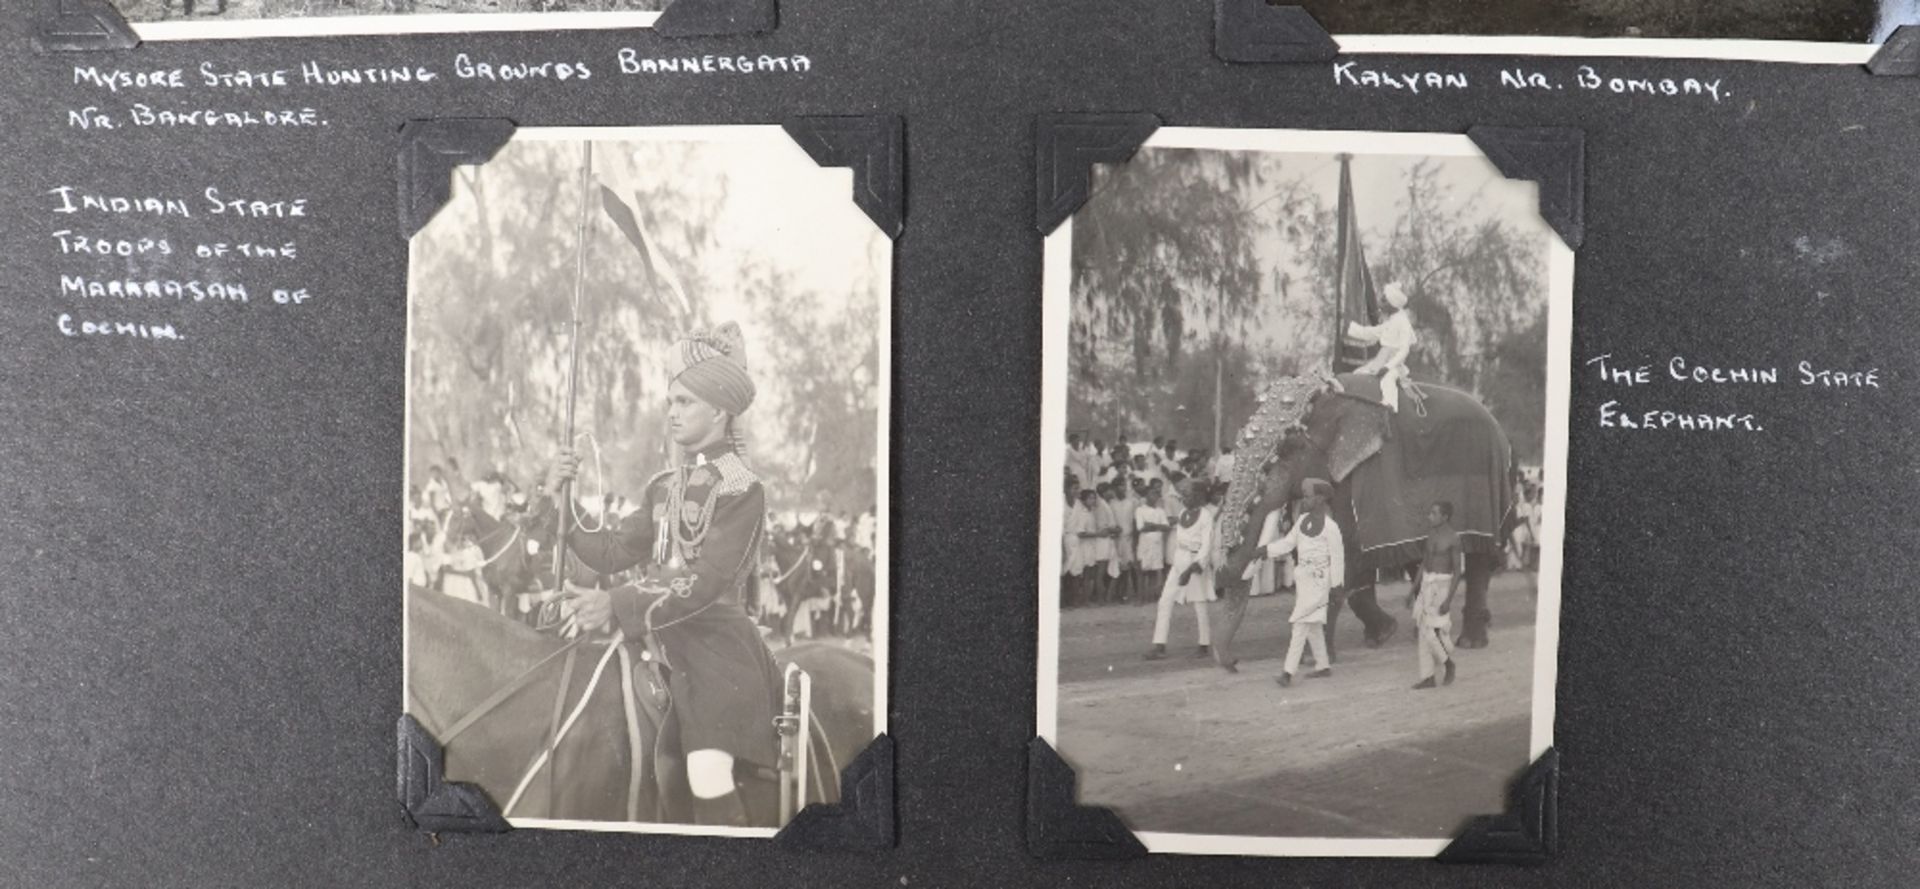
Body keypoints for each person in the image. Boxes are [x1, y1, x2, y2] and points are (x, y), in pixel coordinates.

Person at [538, 323, 784, 827]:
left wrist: (616, 604)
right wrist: (559, 500)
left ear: (719, 410)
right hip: (653, 639)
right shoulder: (662, 486)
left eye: (685, 401)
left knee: (706, 769)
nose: (671, 411)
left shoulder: (743, 488)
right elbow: (610, 550)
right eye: (670, 400)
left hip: (717, 651)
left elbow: (706, 580)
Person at [1253, 478, 1343, 687]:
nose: (1304, 499)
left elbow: (1337, 558)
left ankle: (1288, 672)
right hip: (1303, 578)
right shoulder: (1302, 521)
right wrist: (1265, 550)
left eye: (1308, 495)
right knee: (1312, 624)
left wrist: (1336, 586)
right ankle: (1323, 665)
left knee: (1300, 623)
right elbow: (1287, 544)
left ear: (1320, 498)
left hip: (1320, 580)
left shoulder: (1331, 527)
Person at [1145, 481, 1216, 660]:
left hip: (1195, 563)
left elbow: (1206, 547)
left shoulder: (1206, 517)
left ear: (1199, 496)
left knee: (1199, 604)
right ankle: (1159, 645)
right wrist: (1177, 567)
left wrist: (1191, 569)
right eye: (1183, 494)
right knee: (1165, 601)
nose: (1184, 497)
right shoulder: (1183, 512)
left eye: (1188, 494)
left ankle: (1204, 644)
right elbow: (1179, 543)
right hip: (1179, 560)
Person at [1410, 500, 1462, 689]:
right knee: (1424, 629)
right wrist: (1413, 590)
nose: (1429, 516)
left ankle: (1448, 663)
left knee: (1430, 630)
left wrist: (1449, 599)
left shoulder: (1454, 538)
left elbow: (1457, 571)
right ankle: (1428, 676)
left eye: (1434, 513)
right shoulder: (1431, 535)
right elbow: (1424, 563)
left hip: (1441, 585)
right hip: (1426, 583)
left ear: (1445, 516)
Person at [1347, 282, 1417, 412]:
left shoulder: (1402, 322)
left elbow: (1404, 350)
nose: (1381, 302)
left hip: (1395, 365)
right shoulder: (1390, 321)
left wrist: (1387, 367)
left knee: (1387, 380)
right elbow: (1371, 333)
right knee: (1358, 374)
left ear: (1392, 303)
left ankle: (1389, 408)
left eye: (1384, 300)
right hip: (1380, 361)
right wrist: (1349, 327)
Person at [1133, 479, 1170, 602]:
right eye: (1151, 494)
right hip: (1145, 544)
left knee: (1157, 570)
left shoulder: (1160, 511)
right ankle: (1140, 598)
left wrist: (1152, 526)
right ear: (1146, 496)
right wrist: (1156, 527)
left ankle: (1155, 596)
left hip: (1157, 544)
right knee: (1143, 571)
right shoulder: (1140, 510)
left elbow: (1166, 527)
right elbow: (1141, 527)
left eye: (1155, 494)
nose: (1154, 496)